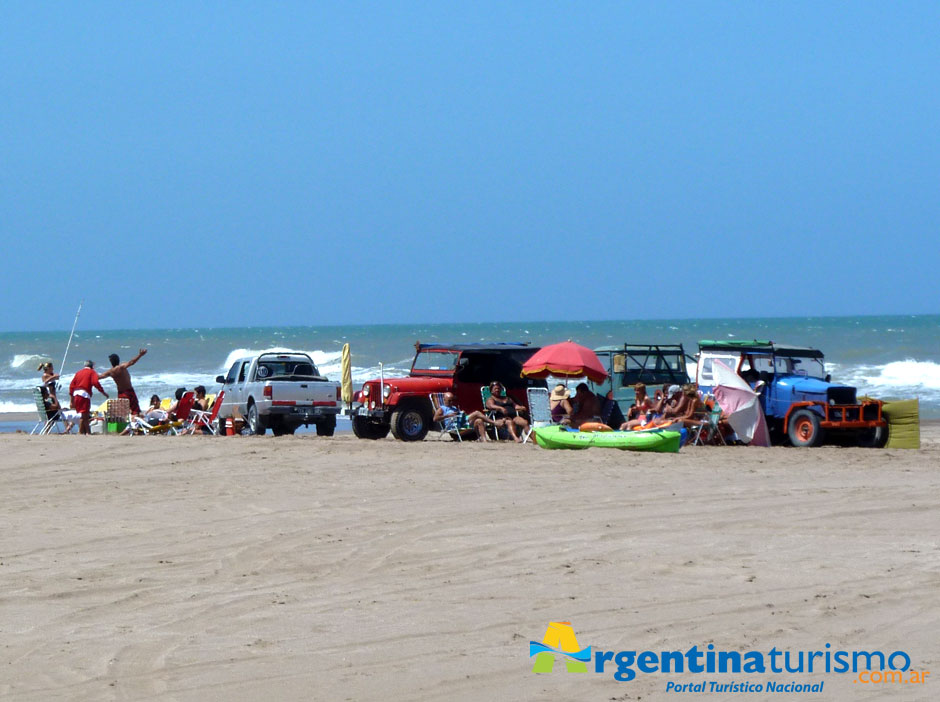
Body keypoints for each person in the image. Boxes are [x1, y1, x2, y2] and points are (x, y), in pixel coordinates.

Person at [97, 348, 148, 415]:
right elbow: (131, 362)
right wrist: (140, 355)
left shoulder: (110, 372)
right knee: (135, 410)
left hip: (121, 393)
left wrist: (89, 372)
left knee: (124, 412)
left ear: (111, 362)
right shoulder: (121, 367)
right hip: (129, 391)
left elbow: (99, 377)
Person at [69, 360, 108, 435]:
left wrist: (71, 400)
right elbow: (95, 382)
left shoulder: (78, 372)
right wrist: (103, 392)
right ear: (92, 366)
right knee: (85, 414)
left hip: (76, 394)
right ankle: (85, 432)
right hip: (84, 395)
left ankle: (84, 432)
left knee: (84, 415)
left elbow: (71, 386)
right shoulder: (92, 372)